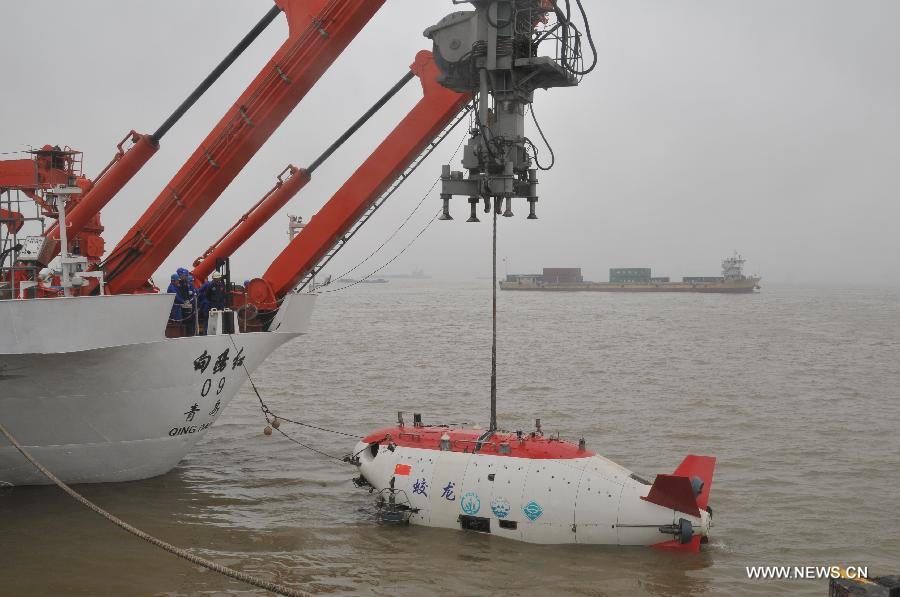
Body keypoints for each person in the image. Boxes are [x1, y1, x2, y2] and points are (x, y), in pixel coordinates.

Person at [176, 268, 195, 336]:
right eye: (185, 275)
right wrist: (183, 301)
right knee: (186, 321)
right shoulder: (179, 285)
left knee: (190, 320)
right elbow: (178, 295)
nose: (186, 277)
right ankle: (186, 334)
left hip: (189, 304)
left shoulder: (187, 284)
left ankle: (190, 334)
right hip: (183, 305)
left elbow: (194, 292)